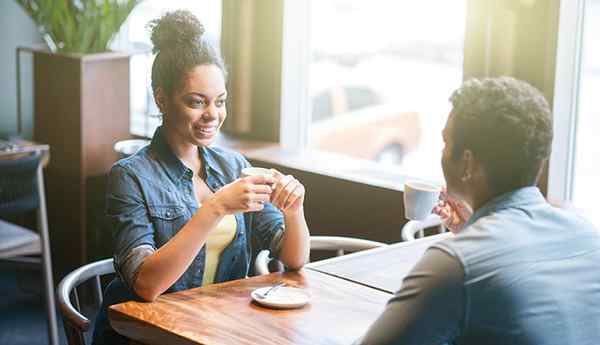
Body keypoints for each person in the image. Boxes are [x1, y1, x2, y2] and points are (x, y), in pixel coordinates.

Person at [92, 10, 310, 344]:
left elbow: (293, 258)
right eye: (197, 102)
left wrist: (293, 211)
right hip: (147, 335)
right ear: (161, 98)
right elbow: (146, 285)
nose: (213, 114)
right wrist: (214, 208)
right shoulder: (130, 176)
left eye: (220, 102)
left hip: (218, 329)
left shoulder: (234, 165)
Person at [357, 77, 600, 345]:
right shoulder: (587, 235)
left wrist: (469, 244)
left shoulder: (457, 263)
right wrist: (472, 230)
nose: (442, 152)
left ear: (467, 163)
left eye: (446, 143)